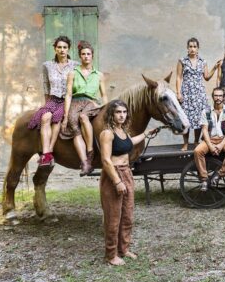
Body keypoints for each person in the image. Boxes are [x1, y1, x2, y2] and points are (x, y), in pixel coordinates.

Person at [99, 99, 157, 266]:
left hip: (127, 173)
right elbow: (105, 160)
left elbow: (129, 143)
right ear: (111, 114)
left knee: (127, 215)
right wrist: (117, 182)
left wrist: (147, 134)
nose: (122, 115)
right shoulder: (107, 133)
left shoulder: (123, 131)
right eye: (118, 112)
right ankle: (111, 255)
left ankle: (123, 249)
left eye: (124, 112)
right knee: (113, 216)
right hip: (113, 176)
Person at [27, 36, 79, 166]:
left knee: (56, 119)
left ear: (68, 49)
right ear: (55, 49)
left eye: (64, 47)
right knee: (45, 117)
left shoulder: (75, 66)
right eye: (59, 47)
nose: (62, 50)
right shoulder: (47, 65)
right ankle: (46, 153)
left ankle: (48, 152)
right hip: (53, 99)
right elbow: (46, 85)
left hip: (68, 100)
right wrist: (47, 103)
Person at [61, 41, 107, 176]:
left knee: (83, 116)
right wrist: (65, 116)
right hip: (75, 102)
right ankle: (85, 163)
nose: (86, 56)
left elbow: (104, 95)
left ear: (92, 56)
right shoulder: (72, 73)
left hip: (91, 102)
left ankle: (90, 151)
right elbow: (68, 94)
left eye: (88, 54)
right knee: (73, 125)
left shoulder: (99, 75)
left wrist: (104, 107)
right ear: (80, 56)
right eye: (83, 54)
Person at [175, 37, 218, 150]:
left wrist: (214, 68)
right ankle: (185, 143)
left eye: (194, 46)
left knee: (200, 118)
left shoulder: (202, 62)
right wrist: (178, 93)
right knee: (186, 118)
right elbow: (179, 77)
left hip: (199, 94)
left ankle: (195, 141)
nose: (192, 49)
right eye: (190, 46)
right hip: (187, 93)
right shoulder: (182, 61)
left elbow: (207, 77)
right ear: (187, 48)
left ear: (198, 48)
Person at [193, 87, 225, 192]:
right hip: (210, 139)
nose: (218, 98)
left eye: (220, 96)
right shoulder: (206, 111)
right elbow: (204, 130)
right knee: (197, 151)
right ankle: (204, 179)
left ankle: (219, 174)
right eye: (216, 95)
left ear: (224, 97)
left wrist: (221, 144)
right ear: (213, 97)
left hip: (224, 139)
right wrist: (210, 146)